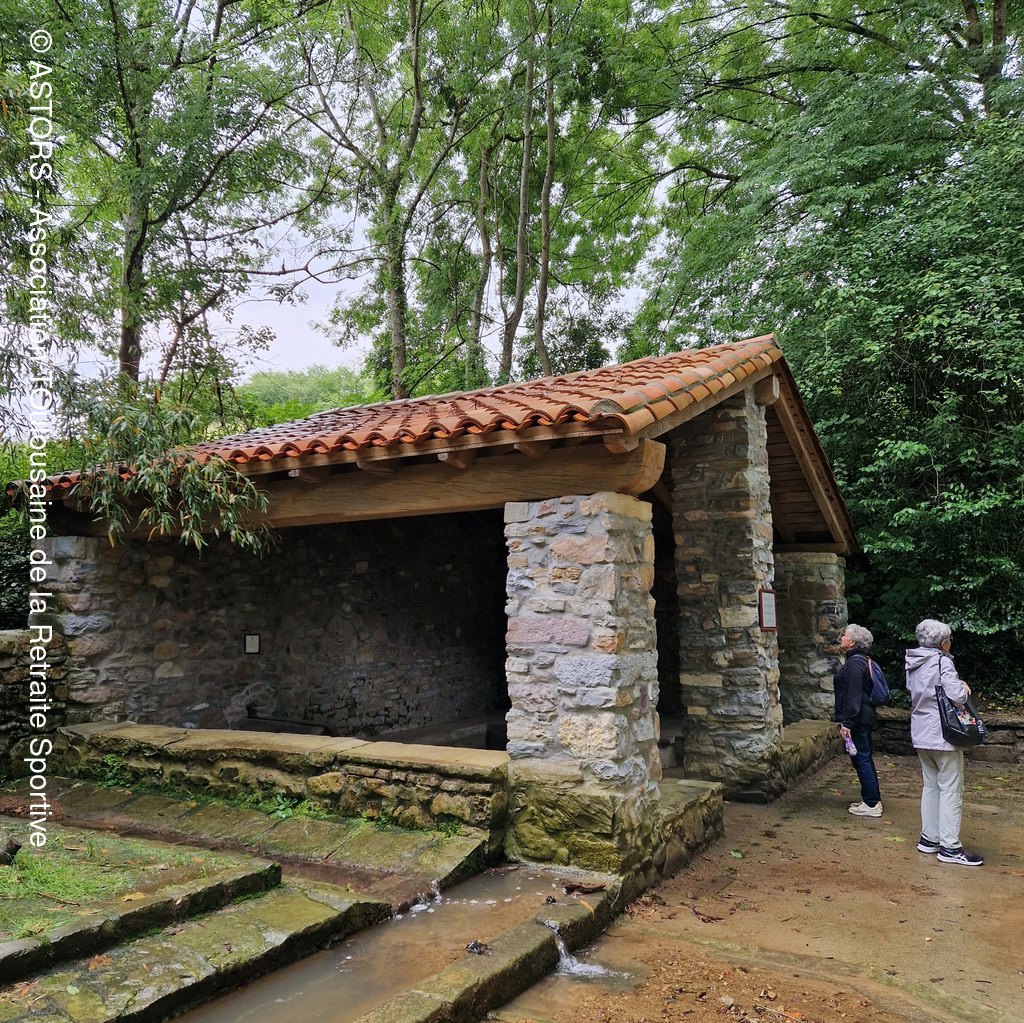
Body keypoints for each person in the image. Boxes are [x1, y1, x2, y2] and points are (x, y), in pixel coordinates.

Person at [905, 619, 983, 866]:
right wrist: (963, 687)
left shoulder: (912, 660)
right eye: (949, 640)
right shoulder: (942, 661)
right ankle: (950, 847)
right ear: (942, 643)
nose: (950, 643)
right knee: (950, 789)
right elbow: (957, 696)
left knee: (930, 786)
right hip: (943, 734)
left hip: (921, 733)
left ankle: (929, 838)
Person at [833, 623, 883, 817]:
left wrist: (847, 723)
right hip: (863, 717)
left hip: (858, 719)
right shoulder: (860, 660)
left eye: (845, 635)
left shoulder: (854, 663)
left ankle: (871, 804)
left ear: (853, 642)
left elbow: (853, 695)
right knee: (864, 757)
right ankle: (872, 799)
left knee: (861, 758)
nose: (841, 638)